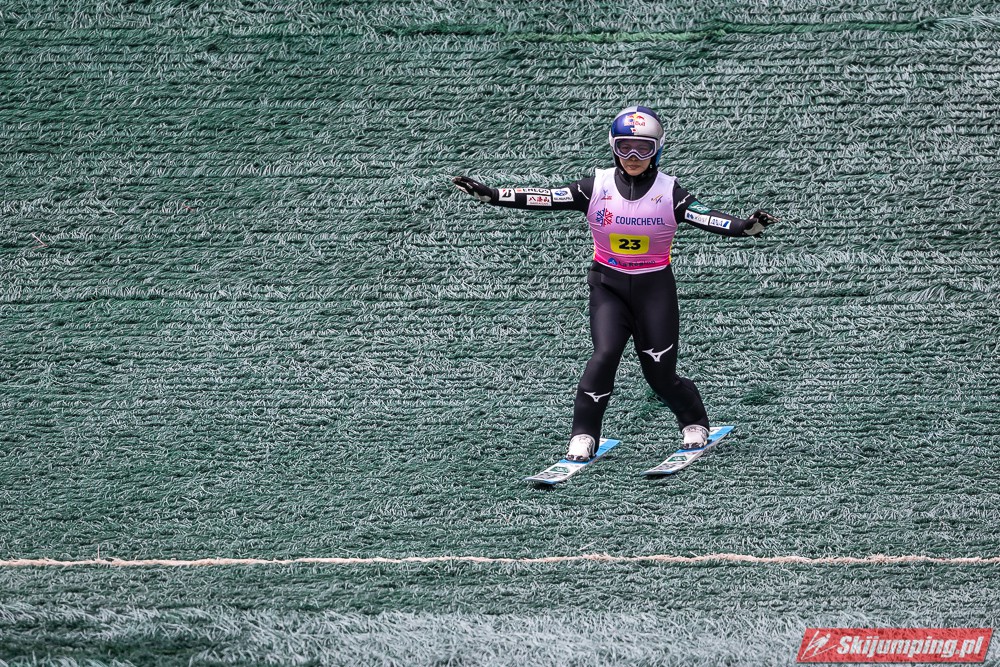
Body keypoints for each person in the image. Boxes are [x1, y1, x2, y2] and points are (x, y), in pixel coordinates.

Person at [452, 105, 778, 462]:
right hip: (608, 286)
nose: (633, 157)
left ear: (657, 149)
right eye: (625, 147)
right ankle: (583, 434)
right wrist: (493, 195)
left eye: (643, 148)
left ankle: (694, 422)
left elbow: (708, 217)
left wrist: (745, 227)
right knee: (604, 355)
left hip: (654, 291)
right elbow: (546, 197)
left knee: (659, 375)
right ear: (613, 147)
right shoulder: (597, 187)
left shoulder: (670, 192)